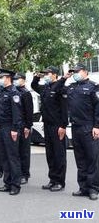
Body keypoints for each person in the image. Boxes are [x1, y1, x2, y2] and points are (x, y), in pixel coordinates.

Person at [64, 63, 99, 200]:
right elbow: (59, 89)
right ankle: (83, 187)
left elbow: (98, 107)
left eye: (77, 71)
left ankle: (93, 188)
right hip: (75, 127)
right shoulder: (71, 87)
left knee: (92, 159)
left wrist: (97, 125)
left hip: (89, 127)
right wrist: (64, 77)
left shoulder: (93, 87)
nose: (75, 74)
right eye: (74, 72)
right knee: (80, 159)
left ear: (85, 72)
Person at [31, 66, 68, 192]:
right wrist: (37, 76)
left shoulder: (61, 88)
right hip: (47, 125)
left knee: (59, 155)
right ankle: (52, 180)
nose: (46, 75)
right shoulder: (45, 88)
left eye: (48, 74)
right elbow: (34, 86)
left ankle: (60, 181)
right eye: (45, 74)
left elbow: (64, 109)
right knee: (50, 154)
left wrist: (63, 126)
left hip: (57, 126)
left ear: (54, 75)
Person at [0, 69, 23, 195]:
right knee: (4, 157)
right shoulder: (1, 92)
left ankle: (15, 185)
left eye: (1, 77)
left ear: (7, 78)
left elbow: (17, 113)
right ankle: (7, 183)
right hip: (1, 128)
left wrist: (15, 129)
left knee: (13, 157)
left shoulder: (13, 93)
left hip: (9, 128)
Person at [13, 73, 33, 185]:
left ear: (23, 81)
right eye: (14, 79)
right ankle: (18, 173)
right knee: (16, 151)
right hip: (16, 125)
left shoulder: (26, 93)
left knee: (24, 151)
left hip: (24, 126)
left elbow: (29, 112)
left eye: (17, 79)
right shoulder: (13, 92)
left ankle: (25, 174)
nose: (15, 81)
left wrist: (27, 126)